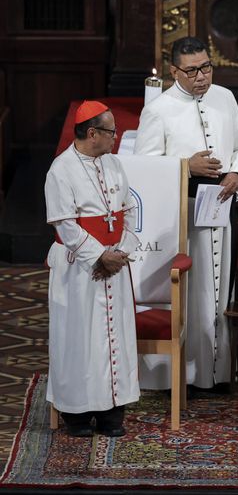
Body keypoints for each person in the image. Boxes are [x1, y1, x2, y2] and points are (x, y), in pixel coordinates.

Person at [135, 36, 238, 391]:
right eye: (192, 71)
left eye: (206, 67)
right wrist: (187, 165)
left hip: (222, 201)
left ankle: (217, 374)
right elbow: (144, 167)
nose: (202, 77)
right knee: (195, 293)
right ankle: (186, 376)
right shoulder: (158, 110)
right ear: (174, 72)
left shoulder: (225, 98)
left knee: (221, 292)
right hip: (184, 210)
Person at [45, 101, 140, 437]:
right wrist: (98, 256)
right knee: (80, 340)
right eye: (112, 131)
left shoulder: (113, 164)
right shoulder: (61, 170)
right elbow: (65, 225)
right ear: (92, 133)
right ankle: (77, 415)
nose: (116, 137)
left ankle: (113, 413)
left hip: (113, 266)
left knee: (116, 340)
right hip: (79, 270)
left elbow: (129, 212)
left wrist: (120, 252)